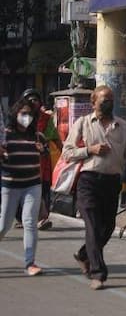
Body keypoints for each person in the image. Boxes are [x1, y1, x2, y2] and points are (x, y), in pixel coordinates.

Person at [62, 85, 126, 290]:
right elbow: (67, 152)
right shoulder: (83, 123)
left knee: (107, 227)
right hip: (88, 181)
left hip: (112, 183)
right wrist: (89, 150)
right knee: (93, 225)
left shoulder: (122, 127)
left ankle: (84, 254)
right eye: (104, 100)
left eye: (111, 100)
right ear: (93, 102)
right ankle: (98, 273)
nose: (108, 104)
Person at [0, 97, 47, 276]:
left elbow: (45, 152)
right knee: (4, 225)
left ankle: (30, 263)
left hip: (32, 185)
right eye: (23, 113)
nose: (27, 117)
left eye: (30, 114)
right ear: (16, 114)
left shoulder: (37, 136)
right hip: (10, 185)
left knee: (29, 223)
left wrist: (42, 150)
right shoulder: (5, 134)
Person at [22, 89, 62, 231]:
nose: (33, 102)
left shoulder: (46, 118)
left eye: (36, 99)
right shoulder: (22, 116)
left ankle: (42, 217)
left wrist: (64, 152)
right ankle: (32, 217)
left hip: (43, 159)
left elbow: (54, 136)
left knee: (43, 188)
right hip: (24, 159)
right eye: (30, 100)